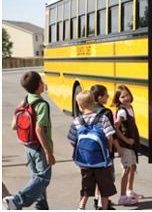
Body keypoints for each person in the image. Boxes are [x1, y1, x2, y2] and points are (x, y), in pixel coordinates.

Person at [3, 71, 56, 210]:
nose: (44, 84)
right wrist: (48, 152)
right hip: (39, 148)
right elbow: (39, 130)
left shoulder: (25, 100)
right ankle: (16, 201)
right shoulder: (42, 104)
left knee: (37, 180)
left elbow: (14, 126)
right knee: (43, 178)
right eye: (42, 82)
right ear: (39, 85)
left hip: (28, 147)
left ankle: (41, 207)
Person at [67, 90, 116, 210]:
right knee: (104, 188)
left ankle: (81, 207)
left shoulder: (77, 121)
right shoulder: (103, 118)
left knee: (86, 187)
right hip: (102, 162)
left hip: (85, 162)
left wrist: (83, 151)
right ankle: (103, 208)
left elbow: (72, 139)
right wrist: (108, 150)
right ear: (94, 102)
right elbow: (109, 137)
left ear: (80, 105)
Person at [90, 84, 122, 210]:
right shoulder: (106, 112)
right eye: (106, 95)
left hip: (93, 150)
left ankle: (97, 200)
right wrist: (116, 149)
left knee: (98, 177)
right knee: (108, 178)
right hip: (105, 151)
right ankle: (104, 204)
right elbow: (111, 134)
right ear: (99, 97)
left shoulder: (89, 110)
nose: (108, 96)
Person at [112, 85, 143, 205]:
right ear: (118, 99)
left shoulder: (130, 107)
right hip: (126, 145)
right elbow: (116, 127)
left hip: (131, 145)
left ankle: (130, 191)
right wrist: (125, 139)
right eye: (122, 96)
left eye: (127, 95)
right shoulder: (122, 111)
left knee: (133, 167)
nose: (126, 98)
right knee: (126, 169)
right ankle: (123, 196)